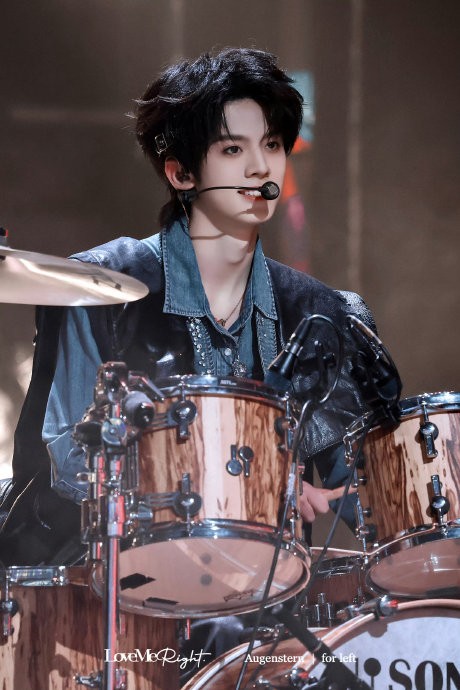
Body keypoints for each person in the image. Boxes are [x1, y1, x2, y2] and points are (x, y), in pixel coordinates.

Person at [0, 48, 376, 567]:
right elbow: (72, 464)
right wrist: (258, 483)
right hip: (105, 583)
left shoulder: (317, 311)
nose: (261, 166)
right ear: (180, 174)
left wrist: (384, 488)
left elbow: (368, 486)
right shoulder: (99, 287)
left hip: (267, 594)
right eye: (232, 149)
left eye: (272, 144)